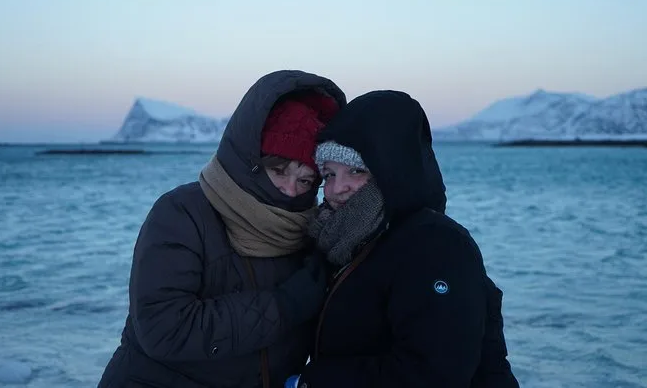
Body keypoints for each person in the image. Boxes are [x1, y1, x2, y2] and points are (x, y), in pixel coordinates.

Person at [98, 70, 346, 388]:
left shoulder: (308, 230)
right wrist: (284, 306)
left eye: (306, 179)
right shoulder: (182, 213)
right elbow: (163, 328)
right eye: (278, 170)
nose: (289, 190)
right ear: (251, 163)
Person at [287, 90, 519, 388]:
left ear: (393, 171)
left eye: (357, 171)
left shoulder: (435, 246)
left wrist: (314, 382)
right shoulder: (348, 241)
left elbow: (433, 373)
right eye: (330, 174)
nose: (336, 188)